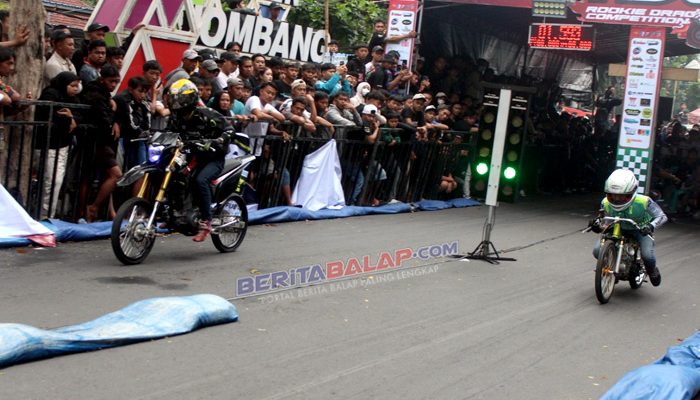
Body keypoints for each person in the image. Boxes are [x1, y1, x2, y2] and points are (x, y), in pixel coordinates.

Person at [167, 78, 245, 242]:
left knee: (200, 180)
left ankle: (206, 221)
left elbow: (229, 129)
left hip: (213, 158)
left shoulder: (207, 114)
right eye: (174, 98)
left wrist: (220, 140)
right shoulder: (175, 117)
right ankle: (175, 213)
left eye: (179, 98)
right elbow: (168, 134)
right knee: (172, 175)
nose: (176, 102)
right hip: (190, 156)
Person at [589, 169, 667, 286]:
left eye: (622, 197)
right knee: (597, 251)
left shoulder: (644, 201)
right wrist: (597, 225)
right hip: (617, 227)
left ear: (633, 191)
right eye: (613, 196)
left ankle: (652, 270)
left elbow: (661, 216)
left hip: (641, 229)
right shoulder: (605, 202)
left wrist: (650, 226)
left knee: (647, 256)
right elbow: (605, 220)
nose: (617, 199)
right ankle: (612, 265)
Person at [34, 71, 82, 219]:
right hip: (48, 144)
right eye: (72, 85)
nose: (75, 89)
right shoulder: (51, 94)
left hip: (62, 145)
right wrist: (69, 119)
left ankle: (48, 215)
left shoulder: (72, 99)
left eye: (77, 86)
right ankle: (44, 215)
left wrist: (72, 117)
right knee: (52, 181)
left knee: (55, 181)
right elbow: (54, 115)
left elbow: (80, 114)